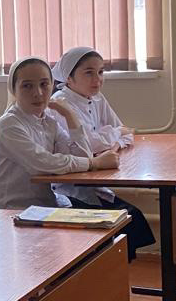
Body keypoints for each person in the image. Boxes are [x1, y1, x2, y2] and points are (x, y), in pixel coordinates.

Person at [50, 47, 155, 259]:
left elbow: (127, 133)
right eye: (89, 73)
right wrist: (113, 137)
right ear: (69, 77)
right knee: (126, 222)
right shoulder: (60, 104)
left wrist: (111, 147)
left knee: (133, 219)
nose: (97, 79)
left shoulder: (97, 98)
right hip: (69, 188)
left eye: (100, 72)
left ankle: (118, 272)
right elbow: (88, 145)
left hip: (94, 182)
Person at [0, 57, 120, 209]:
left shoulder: (48, 122)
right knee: (119, 215)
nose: (38, 93)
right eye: (27, 86)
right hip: (16, 210)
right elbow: (42, 163)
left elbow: (82, 156)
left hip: (47, 205)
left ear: (52, 86)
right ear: (13, 90)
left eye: (44, 84)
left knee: (128, 214)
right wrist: (94, 163)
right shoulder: (8, 125)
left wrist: (70, 115)